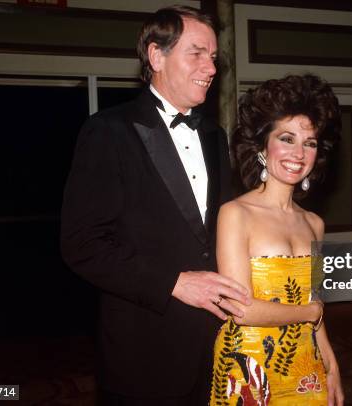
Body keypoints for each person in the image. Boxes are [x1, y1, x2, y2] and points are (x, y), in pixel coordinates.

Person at [60, 6, 250, 405]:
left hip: (214, 345)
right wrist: (174, 282)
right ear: (156, 56)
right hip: (144, 353)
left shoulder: (214, 135)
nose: (211, 68)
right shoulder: (107, 131)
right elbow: (82, 244)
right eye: (197, 53)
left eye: (214, 57)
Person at [210, 74, 344, 405]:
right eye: (287, 138)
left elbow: (317, 308)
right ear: (262, 146)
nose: (298, 153)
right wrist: (309, 313)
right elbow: (240, 310)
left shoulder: (315, 223)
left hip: (304, 364)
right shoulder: (235, 214)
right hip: (248, 368)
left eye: (309, 143)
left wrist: (331, 365)